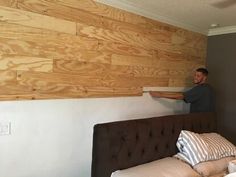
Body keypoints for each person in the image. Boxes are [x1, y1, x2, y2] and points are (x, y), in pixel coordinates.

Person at [149, 68, 214, 113]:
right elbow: (183, 94)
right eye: (195, 75)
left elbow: (181, 96)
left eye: (198, 76)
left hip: (199, 120)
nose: (195, 77)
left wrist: (160, 95)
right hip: (205, 119)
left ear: (204, 77)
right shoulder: (208, 87)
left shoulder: (201, 89)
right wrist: (162, 92)